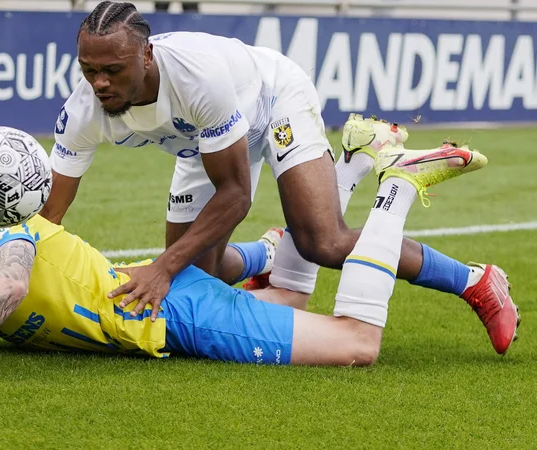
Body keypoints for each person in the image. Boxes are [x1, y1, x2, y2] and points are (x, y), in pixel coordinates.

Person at [0, 141, 518, 379]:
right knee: (288, 306)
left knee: (358, 345)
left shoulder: (0, 229)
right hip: (163, 295)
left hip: (175, 315)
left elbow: (6, 291)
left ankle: (395, 185)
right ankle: (350, 167)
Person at [40, 1, 519, 354]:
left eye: (112, 70)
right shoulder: (83, 109)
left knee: (322, 241)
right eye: (89, 70)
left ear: (146, 57)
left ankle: (475, 280)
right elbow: (50, 216)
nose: (99, 83)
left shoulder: (196, 77)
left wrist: (162, 267)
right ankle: (269, 251)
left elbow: (234, 196)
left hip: (270, 101)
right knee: (195, 278)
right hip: (202, 140)